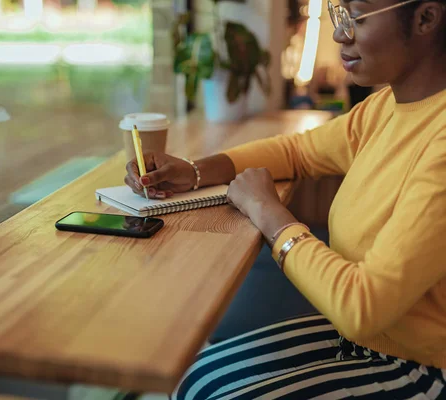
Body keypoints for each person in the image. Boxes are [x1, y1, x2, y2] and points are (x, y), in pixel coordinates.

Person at [125, 0, 446, 398]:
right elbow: (298, 151)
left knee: (203, 392)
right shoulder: (385, 107)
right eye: (336, 13)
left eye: (354, 17)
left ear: (425, 18)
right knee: (193, 378)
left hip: (425, 367)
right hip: (373, 337)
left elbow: (361, 307)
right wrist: (193, 171)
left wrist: (269, 213)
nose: (338, 34)